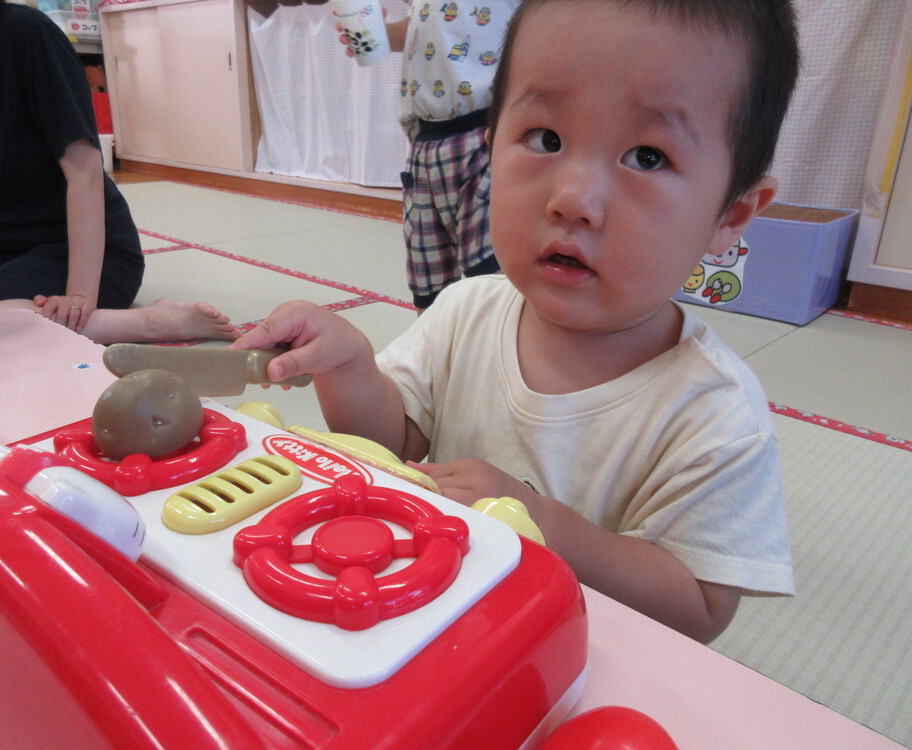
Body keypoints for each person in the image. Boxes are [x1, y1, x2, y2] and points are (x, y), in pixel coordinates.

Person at [239, 0, 800, 643]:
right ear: (491, 146)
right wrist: (350, 366)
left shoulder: (716, 416)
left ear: (731, 214)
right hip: (429, 626)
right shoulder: (466, 309)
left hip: (573, 657)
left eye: (647, 156)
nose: (574, 200)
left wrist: (542, 524)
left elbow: (697, 609)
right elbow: (394, 444)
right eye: (546, 139)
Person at [0, 0, 236, 344]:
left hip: (96, 258)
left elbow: (85, 170)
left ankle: (150, 323)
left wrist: (80, 297)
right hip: (10, 247)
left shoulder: (23, 31)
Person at [339, 1, 520, 311]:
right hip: (424, 141)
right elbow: (427, 27)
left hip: (487, 130)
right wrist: (378, 34)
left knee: (493, 274)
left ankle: (496, 352)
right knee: (428, 283)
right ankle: (433, 355)